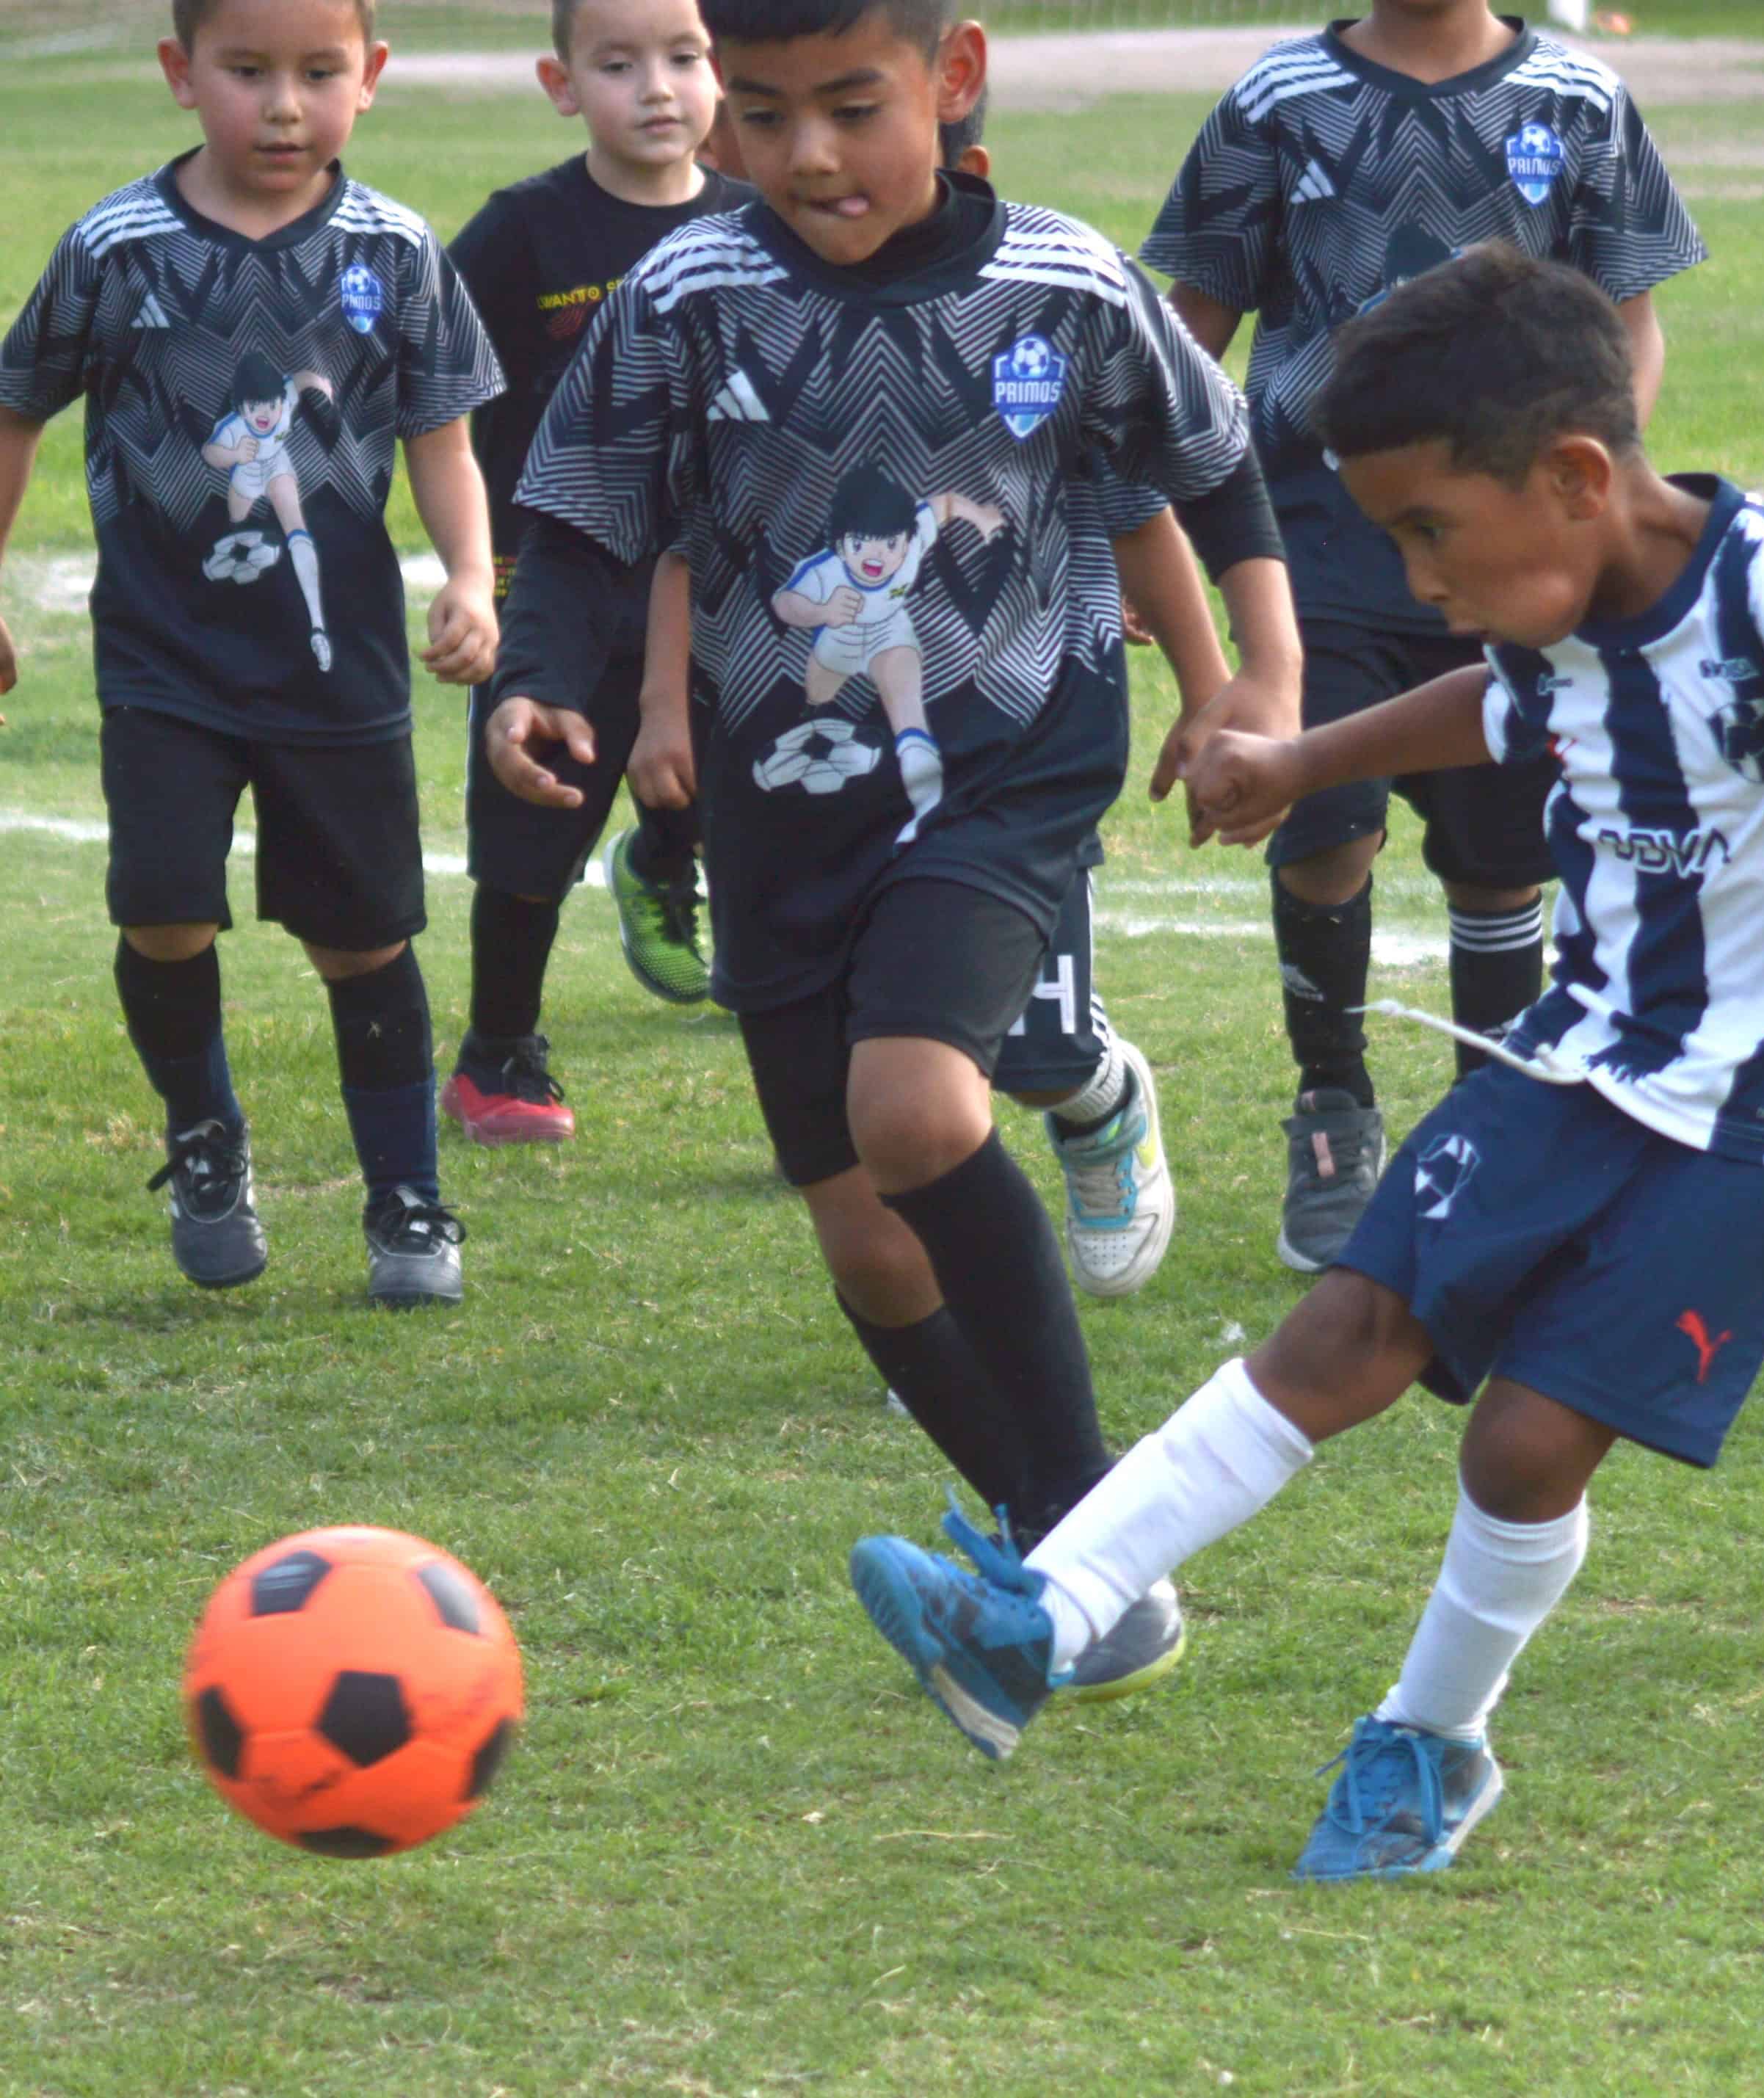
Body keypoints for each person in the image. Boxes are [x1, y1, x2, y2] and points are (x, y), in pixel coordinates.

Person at [848, 247, 1764, 1879]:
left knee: (1525, 1442)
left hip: (1763, 1115)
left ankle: (1430, 1740)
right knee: (1344, 1328)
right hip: (1577, 1054)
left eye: (1431, 530)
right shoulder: (1549, 604)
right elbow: (1491, 708)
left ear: (1574, 477)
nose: (1416, 575)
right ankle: (1044, 1613)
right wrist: (1300, 759)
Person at [484, 0, 1300, 1696]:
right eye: (765, 113)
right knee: (860, 1229)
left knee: (916, 1109)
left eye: (852, 107)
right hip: (783, 809)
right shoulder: (685, 297)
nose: (807, 155)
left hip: (1006, 772)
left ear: (954, 77)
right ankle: (1072, 1566)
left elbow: (1215, 472)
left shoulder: (1064, 284)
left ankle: (1084, 1546)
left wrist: (1260, 681)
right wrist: (541, 683)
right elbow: (580, 520)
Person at [1139, 0, 1705, 1274]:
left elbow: (1629, 320)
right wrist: (1155, 518)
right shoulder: (1277, 100)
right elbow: (1191, 331)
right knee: (1324, 826)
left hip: (1510, 547)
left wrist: (1593, 487)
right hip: (1317, 539)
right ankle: (1332, 1105)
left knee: (1501, 861)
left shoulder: (1578, 101)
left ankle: (1483, 1127)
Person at [0, 0, 504, 1306]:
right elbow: (17, 405)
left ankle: (407, 1197)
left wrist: (471, 577)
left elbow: (445, 437)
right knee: (162, 906)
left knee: (362, 939)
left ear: (370, 77)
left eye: (318, 72)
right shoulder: (117, 247)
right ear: (181, 73)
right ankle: (205, 1135)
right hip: (162, 658)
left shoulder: (395, 248)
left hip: (337, 669)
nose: (284, 104)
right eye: (247, 70)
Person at [441, 0, 754, 1147]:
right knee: (540, 806)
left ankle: (670, 868)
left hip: (716, 580)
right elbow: (434, 387)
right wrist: (470, 558)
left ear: (723, 71)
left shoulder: (756, 225)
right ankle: (497, 1051)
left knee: (732, 783)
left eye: (684, 57)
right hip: (557, 578)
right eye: (618, 64)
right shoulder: (522, 233)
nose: (657, 88)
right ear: (561, 84)